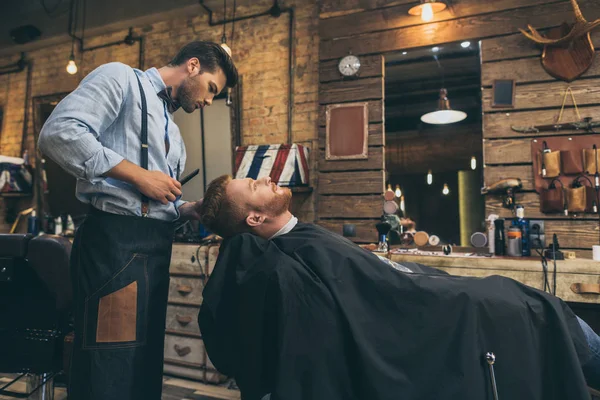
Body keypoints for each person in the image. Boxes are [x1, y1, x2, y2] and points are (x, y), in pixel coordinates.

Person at [198, 174, 600, 400]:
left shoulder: (301, 239)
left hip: (434, 294)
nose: (266, 178)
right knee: (536, 308)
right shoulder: (287, 262)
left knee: (533, 304)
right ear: (253, 219)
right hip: (437, 311)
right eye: (254, 186)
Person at [38, 41, 238, 400]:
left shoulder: (173, 133)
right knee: (110, 366)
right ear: (192, 65)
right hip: (114, 248)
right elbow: (60, 133)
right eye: (212, 88)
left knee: (142, 366)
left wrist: (184, 209)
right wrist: (138, 175)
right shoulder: (120, 78)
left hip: (154, 250)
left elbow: (148, 204)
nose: (209, 101)